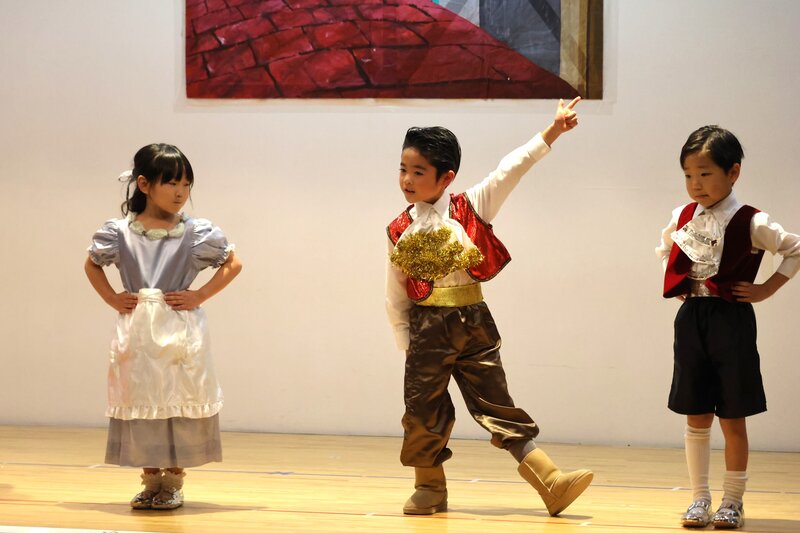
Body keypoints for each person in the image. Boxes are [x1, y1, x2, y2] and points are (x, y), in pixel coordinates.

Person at [385, 98, 593, 516]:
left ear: (446, 177)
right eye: (403, 169)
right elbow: (395, 291)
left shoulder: (473, 205)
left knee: (495, 401)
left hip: (473, 322)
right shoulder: (398, 229)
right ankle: (429, 487)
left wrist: (552, 131)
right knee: (422, 408)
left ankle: (550, 481)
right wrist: (405, 339)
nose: (407, 179)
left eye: (418, 171)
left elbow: (510, 168)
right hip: (426, 328)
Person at [656, 126, 800, 529]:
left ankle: (733, 501)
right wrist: (679, 281)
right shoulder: (682, 216)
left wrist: (767, 288)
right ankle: (699, 498)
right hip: (691, 321)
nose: (695, 184)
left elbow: (795, 249)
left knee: (733, 415)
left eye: (705, 173)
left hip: (732, 321)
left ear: (733, 172)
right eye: (688, 175)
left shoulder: (752, 220)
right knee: (696, 413)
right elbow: (665, 248)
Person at [85, 143, 242, 510]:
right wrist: (111, 298)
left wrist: (199, 295)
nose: (180, 192)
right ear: (144, 184)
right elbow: (92, 263)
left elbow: (233, 263)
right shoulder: (121, 232)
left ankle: (173, 481)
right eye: (171, 183)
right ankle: (150, 478)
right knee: (141, 397)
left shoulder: (194, 232)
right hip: (139, 329)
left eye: (186, 184)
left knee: (178, 397)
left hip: (177, 327)